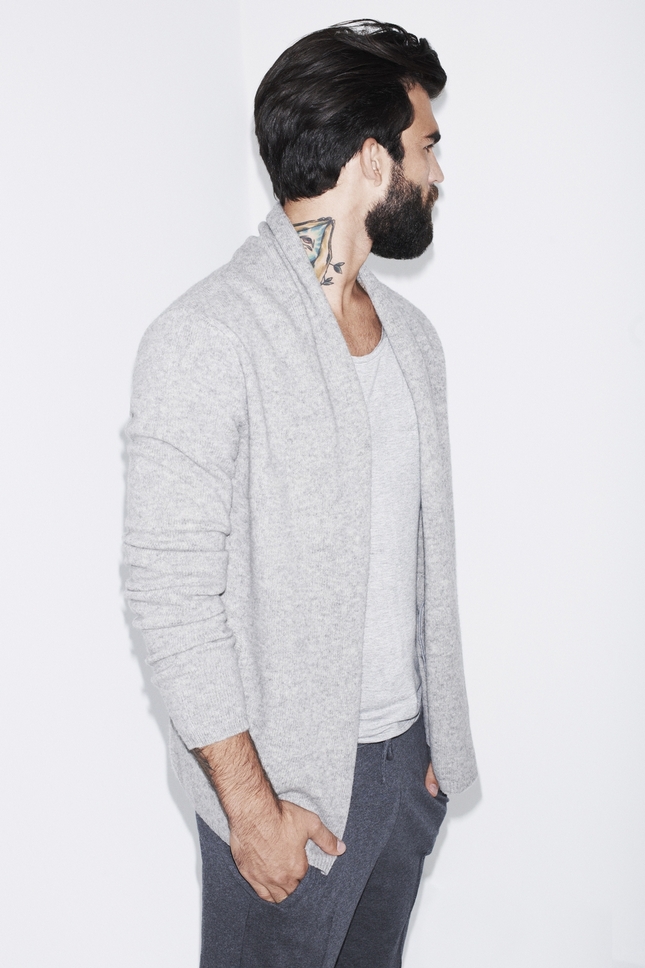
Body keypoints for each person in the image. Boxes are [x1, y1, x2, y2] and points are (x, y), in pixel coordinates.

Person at [124, 19, 477, 968]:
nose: (437, 173)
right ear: (372, 158)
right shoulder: (208, 337)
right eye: (426, 145)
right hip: (285, 796)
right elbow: (168, 593)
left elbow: (417, 561)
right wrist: (250, 810)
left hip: (402, 773)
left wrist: (432, 745)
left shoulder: (413, 342)